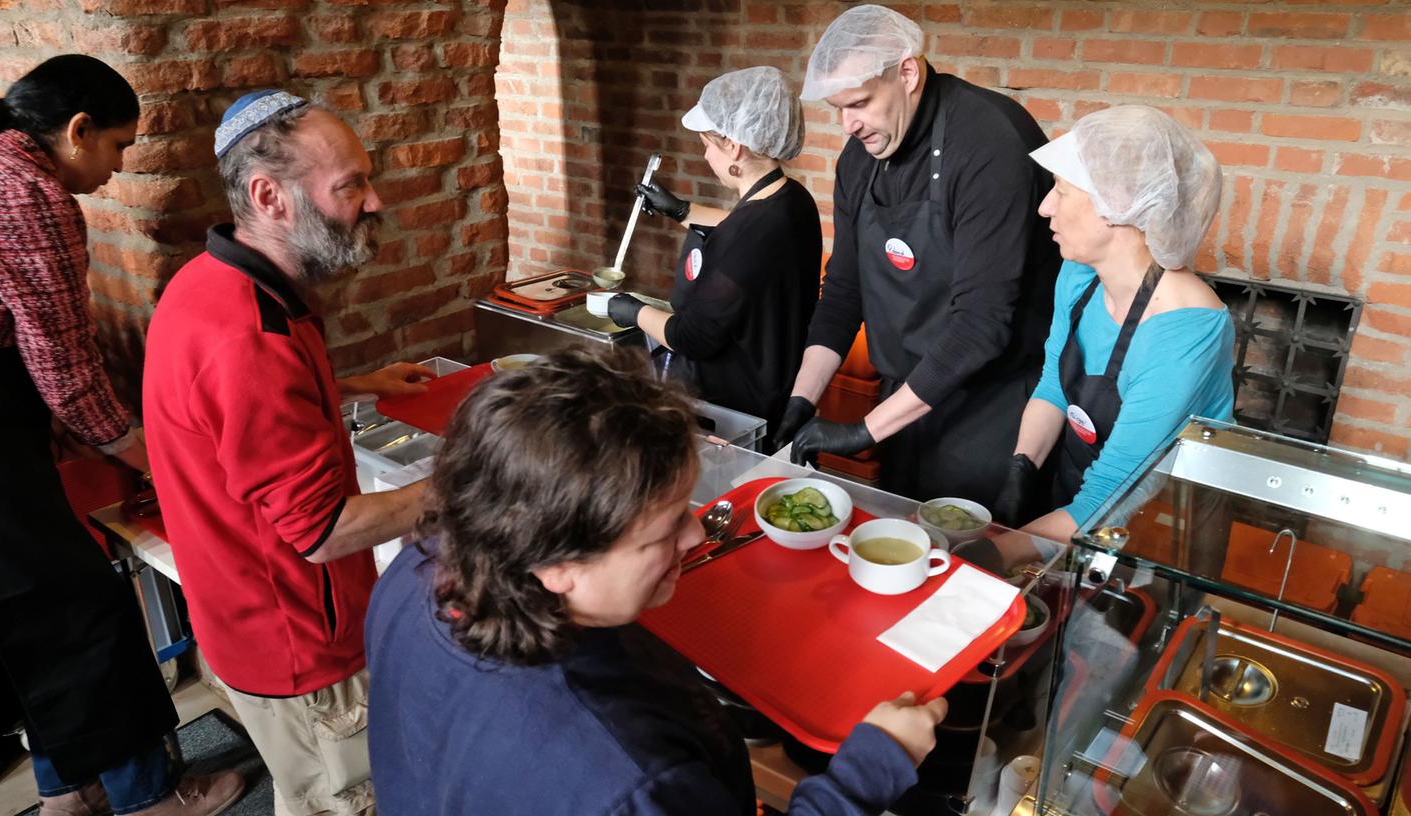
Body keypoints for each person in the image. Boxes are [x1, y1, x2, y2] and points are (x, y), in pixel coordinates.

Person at [366, 346, 950, 816]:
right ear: (557, 564)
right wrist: (870, 770)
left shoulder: (417, 568)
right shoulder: (630, 781)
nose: (697, 536)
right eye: (665, 529)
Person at [0, 56, 243, 816]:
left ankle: (65, 790)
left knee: (21, 612)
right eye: (117, 147)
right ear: (77, 128)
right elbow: (62, 362)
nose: (116, 170)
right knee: (79, 608)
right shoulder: (26, 192)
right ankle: (148, 796)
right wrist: (148, 453)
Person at [143, 91, 433, 816]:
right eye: (351, 186)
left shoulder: (215, 280)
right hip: (298, 644)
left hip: (242, 616)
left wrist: (354, 385)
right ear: (270, 196)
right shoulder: (250, 338)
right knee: (344, 802)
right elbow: (322, 530)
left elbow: (238, 416)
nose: (374, 201)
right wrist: (463, 483)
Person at [775, 5, 1060, 506]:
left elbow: (980, 326)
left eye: (860, 103)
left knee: (973, 568)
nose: (848, 125)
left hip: (990, 409)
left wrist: (862, 431)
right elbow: (844, 289)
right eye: (837, 109)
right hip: (904, 399)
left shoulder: (989, 144)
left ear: (907, 72)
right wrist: (802, 399)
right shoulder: (860, 159)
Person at [993, 106, 1234, 542]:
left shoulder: (1186, 328)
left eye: (1061, 191)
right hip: (1076, 506)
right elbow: (1053, 387)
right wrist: (1021, 470)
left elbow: (1110, 492)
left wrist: (993, 554)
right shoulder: (1080, 274)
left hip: (1156, 529)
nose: (1045, 207)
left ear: (1115, 208)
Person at [608, 66, 821, 438]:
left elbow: (691, 336)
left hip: (734, 406)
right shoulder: (793, 200)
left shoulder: (746, 235)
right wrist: (679, 209)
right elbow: (742, 230)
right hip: (778, 378)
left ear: (734, 146)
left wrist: (632, 310)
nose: (706, 155)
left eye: (708, 143)